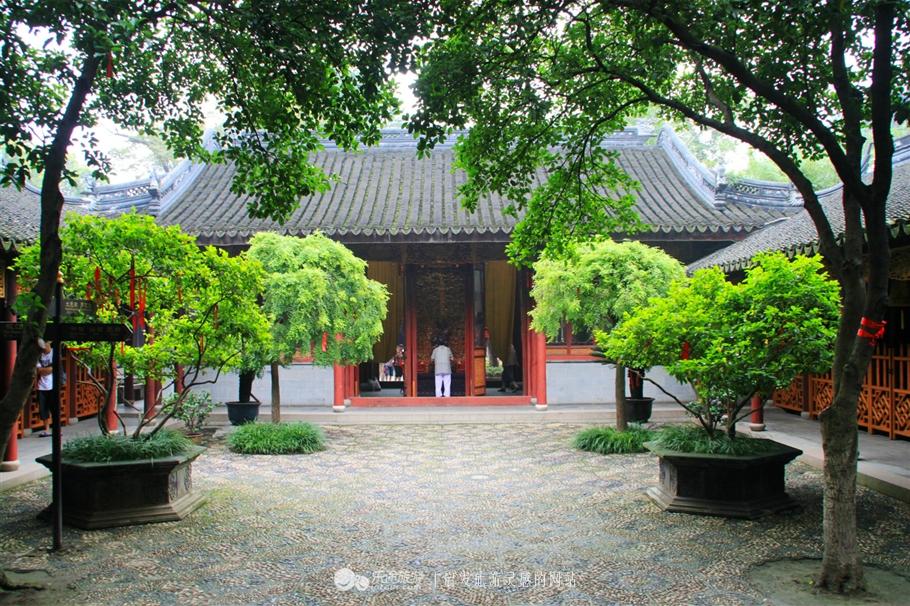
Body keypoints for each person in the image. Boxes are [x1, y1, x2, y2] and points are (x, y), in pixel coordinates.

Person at [35, 338, 54, 437]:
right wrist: (49, 369)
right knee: (43, 409)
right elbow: (39, 371)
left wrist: (45, 369)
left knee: (54, 408)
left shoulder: (54, 353)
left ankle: (56, 429)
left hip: (53, 385)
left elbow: (53, 369)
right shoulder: (39, 356)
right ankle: (47, 429)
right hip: (41, 386)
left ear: (49, 343)